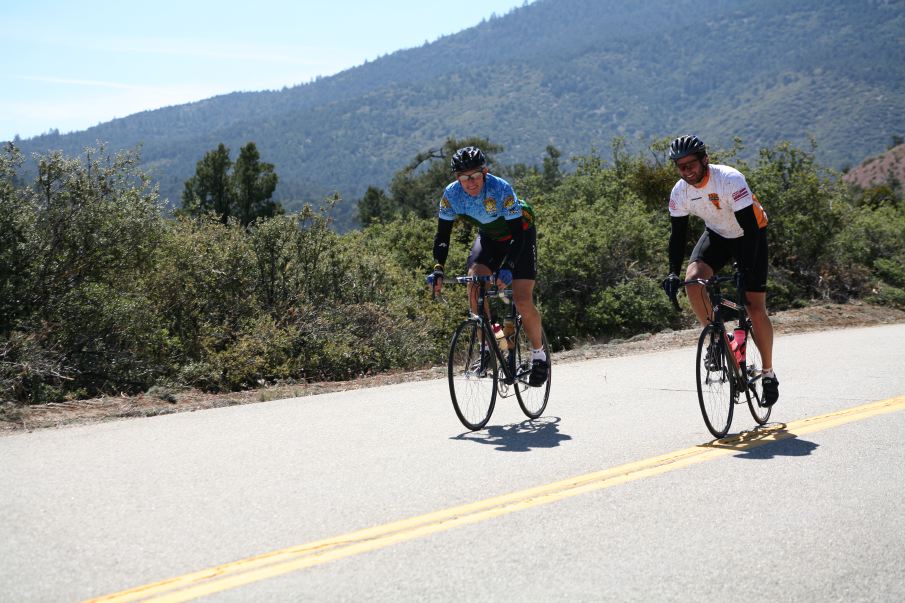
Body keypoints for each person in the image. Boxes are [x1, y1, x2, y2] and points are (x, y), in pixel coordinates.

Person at [661, 135, 779, 406]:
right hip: (718, 234)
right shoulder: (680, 192)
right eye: (680, 166)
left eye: (690, 164)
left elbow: (749, 228)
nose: (686, 170)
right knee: (693, 281)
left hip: (751, 234)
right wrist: (671, 272)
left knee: (753, 305)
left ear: (705, 160)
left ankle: (768, 373)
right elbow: (677, 237)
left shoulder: (729, 179)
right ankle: (716, 337)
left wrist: (745, 265)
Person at [429, 146, 548, 386]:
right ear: (456, 178)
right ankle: (492, 346)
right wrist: (439, 268)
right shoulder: (451, 195)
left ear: (485, 172)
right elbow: (442, 237)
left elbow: (517, 235)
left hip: (519, 235)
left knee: (522, 298)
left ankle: (539, 355)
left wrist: (509, 266)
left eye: (474, 176)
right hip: (490, 237)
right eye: (463, 177)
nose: (470, 182)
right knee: (475, 285)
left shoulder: (500, 188)